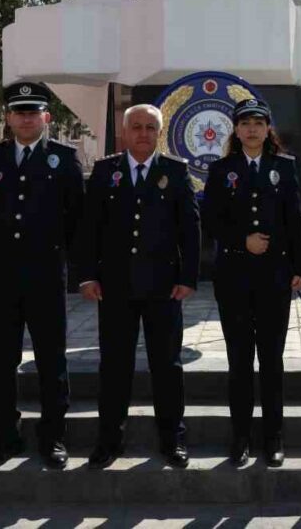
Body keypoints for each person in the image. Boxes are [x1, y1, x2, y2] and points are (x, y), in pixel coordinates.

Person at [77, 104, 201, 469]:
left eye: (150, 127)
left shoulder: (175, 172)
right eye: (136, 127)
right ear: (124, 131)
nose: (143, 133)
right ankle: (109, 439)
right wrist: (87, 275)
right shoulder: (105, 171)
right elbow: (89, 229)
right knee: (114, 366)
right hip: (115, 288)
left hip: (164, 288)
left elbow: (190, 229)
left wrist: (187, 278)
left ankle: (172, 438)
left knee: (168, 366)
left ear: (159, 132)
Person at [0, 81, 84, 469]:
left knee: (51, 359)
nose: (25, 118)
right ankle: (5, 436)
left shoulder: (64, 159)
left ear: (46, 117)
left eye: (32, 112)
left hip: (45, 275)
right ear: (8, 118)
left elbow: (77, 221)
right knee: (0, 360)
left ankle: (53, 437)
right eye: (18, 112)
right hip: (2, 276)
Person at [202, 97, 301, 467]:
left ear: (268, 129)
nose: (251, 129)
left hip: (275, 278)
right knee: (240, 361)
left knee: (272, 360)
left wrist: (300, 266)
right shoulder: (221, 170)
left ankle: (273, 437)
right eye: (245, 123)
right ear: (236, 128)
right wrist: (239, 240)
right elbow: (210, 221)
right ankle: (241, 437)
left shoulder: (285, 167)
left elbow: (295, 218)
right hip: (234, 278)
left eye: (258, 123)